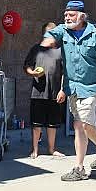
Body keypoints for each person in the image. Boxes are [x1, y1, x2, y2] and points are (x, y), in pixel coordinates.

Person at [40, 0, 96, 181]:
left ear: (81, 16)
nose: (67, 17)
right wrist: (47, 41)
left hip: (92, 86)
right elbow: (52, 34)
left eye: (71, 15)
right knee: (82, 125)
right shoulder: (64, 30)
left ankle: (79, 168)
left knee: (80, 124)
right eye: (65, 15)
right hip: (73, 87)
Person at [24, 22, 65, 158]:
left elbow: (65, 72)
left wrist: (62, 90)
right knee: (36, 123)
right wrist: (33, 73)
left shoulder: (60, 51)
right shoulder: (36, 49)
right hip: (38, 92)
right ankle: (35, 150)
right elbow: (27, 66)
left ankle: (52, 149)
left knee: (52, 124)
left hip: (55, 93)